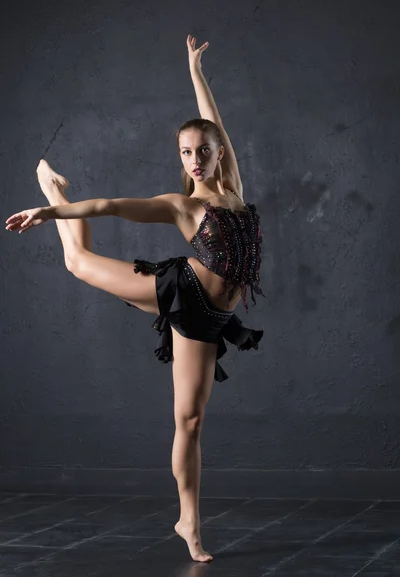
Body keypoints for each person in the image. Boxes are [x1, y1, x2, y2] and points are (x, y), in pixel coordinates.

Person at [5, 34, 266, 563]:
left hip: (214, 317)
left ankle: (185, 520)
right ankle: (49, 187)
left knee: (190, 421)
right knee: (77, 262)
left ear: (220, 153)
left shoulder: (233, 187)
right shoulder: (181, 206)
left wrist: (195, 70)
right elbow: (110, 205)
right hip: (184, 292)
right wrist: (50, 213)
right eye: (185, 153)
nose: (194, 160)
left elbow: (212, 119)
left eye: (203, 151)